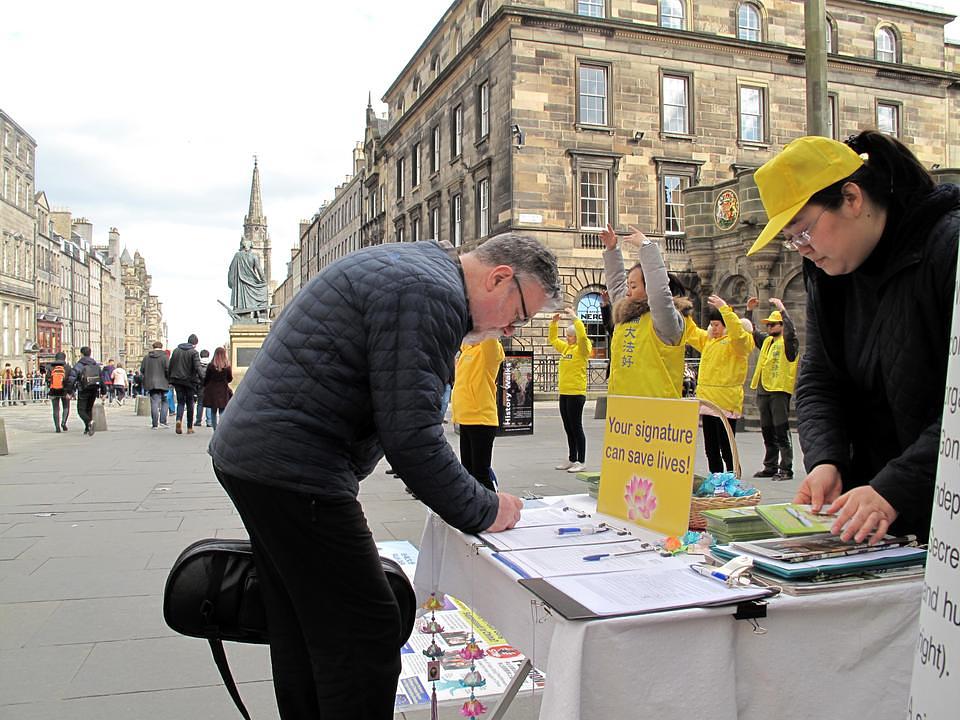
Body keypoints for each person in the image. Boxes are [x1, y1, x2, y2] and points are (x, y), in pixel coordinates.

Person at [208, 232, 560, 719]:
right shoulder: (430, 293)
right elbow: (412, 438)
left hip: (260, 456)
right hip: (294, 467)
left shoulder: (423, 272)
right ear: (500, 277)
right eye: (518, 316)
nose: (509, 332)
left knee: (301, 619)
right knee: (367, 625)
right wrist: (485, 507)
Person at [746, 131, 960, 544]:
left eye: (803, 231)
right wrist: (827, 459)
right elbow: (819, 376)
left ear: (852, 197)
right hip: (880, 518)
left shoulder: (948, 246)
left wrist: (895, 487)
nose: (801, 249)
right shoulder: (828, 274)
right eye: (789, 240)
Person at [600, 224, 693, 398]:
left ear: (648, 287)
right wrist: (612, 250)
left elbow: (659, 292)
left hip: (656, 415)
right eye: (629, 285)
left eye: (633, 286)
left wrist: (647, 247)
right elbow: (615, 285)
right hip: (623, 412)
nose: (628, 291)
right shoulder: (626, 314)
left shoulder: (665, 320)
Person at [685, 296, 755, 474]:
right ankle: (716, 479)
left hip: (726, 402)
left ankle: (733, 477)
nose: (714, 328)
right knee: (711, 448)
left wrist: (726, 310)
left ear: (726, 326)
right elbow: (692, 332)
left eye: (717, 325)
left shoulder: (737, 344)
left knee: (727, 446)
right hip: (708, 402)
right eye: (712, 325)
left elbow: (738, 334)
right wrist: (684, 313)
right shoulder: (708, 341)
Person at [746, 296, 800, 480]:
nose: (769, 328)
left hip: (778, 390)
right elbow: (752, 332)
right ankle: (770, 466)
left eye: (773, 324)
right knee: (767, 430)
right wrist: (749, 311)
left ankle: (786, 468)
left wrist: (782, 309)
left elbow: (791, 331)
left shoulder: (788, 343)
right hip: (764, 390)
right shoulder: (767, 341)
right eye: (768, 325)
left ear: (781, 325)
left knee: (781, 430)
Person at [452, 337, 505, 491]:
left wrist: (487, 316)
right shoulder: (467, 350)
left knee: (480, 473)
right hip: (465, 418)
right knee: (468, 473)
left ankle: (494, 509)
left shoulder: (488, 352)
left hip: (481, 420)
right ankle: (473, 511)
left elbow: (490, 335)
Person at [549, 307, 593, 472]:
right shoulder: (566, 348)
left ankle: (581, 461)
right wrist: (554, 323)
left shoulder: (582, 349)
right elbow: (553, 340)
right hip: (564, 392)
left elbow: (582, 336)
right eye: (567, 336)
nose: (568, 339)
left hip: (576, 393)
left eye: (570, 336)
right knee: (568, 427)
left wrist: (575, 318)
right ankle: (571, 458)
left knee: (576, 426)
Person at [168, 334, 202, 434]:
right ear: (195, 343)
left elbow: (171, 365)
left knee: (180, 402)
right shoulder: (194, 352)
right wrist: (203, 379)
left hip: (177, 380)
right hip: (189, 381)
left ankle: (178, 420)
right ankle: (190, 427)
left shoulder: (176, 350)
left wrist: (170, 378)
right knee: (190, 403)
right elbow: (197, 367)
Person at [228, 239, 269, 318]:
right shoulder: (254, 256)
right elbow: (259, 270)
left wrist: (231, 283)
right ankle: (261, 313)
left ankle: (258, 314)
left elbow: (231, 269)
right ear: (250, 246)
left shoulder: (237, 255)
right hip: (251, 283)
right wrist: (264, 282)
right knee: (264, 289)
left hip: (240, 285)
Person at [67, 347, 101, 436]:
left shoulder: (79, 365)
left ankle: (89, 422)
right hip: (94, 388)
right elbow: (101, 378)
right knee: (89, 408)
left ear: (81, 354)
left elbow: (72, 378)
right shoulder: (95, 365)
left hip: (83, 388)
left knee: (81, 410)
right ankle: (87, 428)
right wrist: (104, 391)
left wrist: (69, 391)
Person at [140, 341, 171, 429]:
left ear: (153, 347)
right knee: (165, 401)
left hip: (151, 383)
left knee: (154, 402)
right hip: (163, 382)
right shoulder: (165, 357)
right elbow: (168, 370)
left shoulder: (146, 357)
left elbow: (142, 369)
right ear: (161, 347)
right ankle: (163, 422)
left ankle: (154, 424)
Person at [201, 347, 233, 430]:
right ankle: (221, 429)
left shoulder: (211, 366)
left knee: (213, 411)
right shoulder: (227, 367)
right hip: (223, 390)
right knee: (222, 411)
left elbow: (207, 378)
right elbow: (230, 379)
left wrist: (204, 385)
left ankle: (215, 429)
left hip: (212, 391)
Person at [46, 352, 71, 432]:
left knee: (56, 409)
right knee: (66, 407)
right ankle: (63, 422)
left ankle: (57, 427)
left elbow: (47, 379)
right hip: (64, 390)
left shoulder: (50, 367)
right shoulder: (67, 367)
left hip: (54, 390)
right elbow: (70, 380)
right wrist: (70, 391)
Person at [194, 349, 211, 426]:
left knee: (200, 404)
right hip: (209, 387)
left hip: (200, 386)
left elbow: (195, 377)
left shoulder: (198, 365)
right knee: (209, 404)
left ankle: (198, 420)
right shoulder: (211, 365)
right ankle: (209, 421)